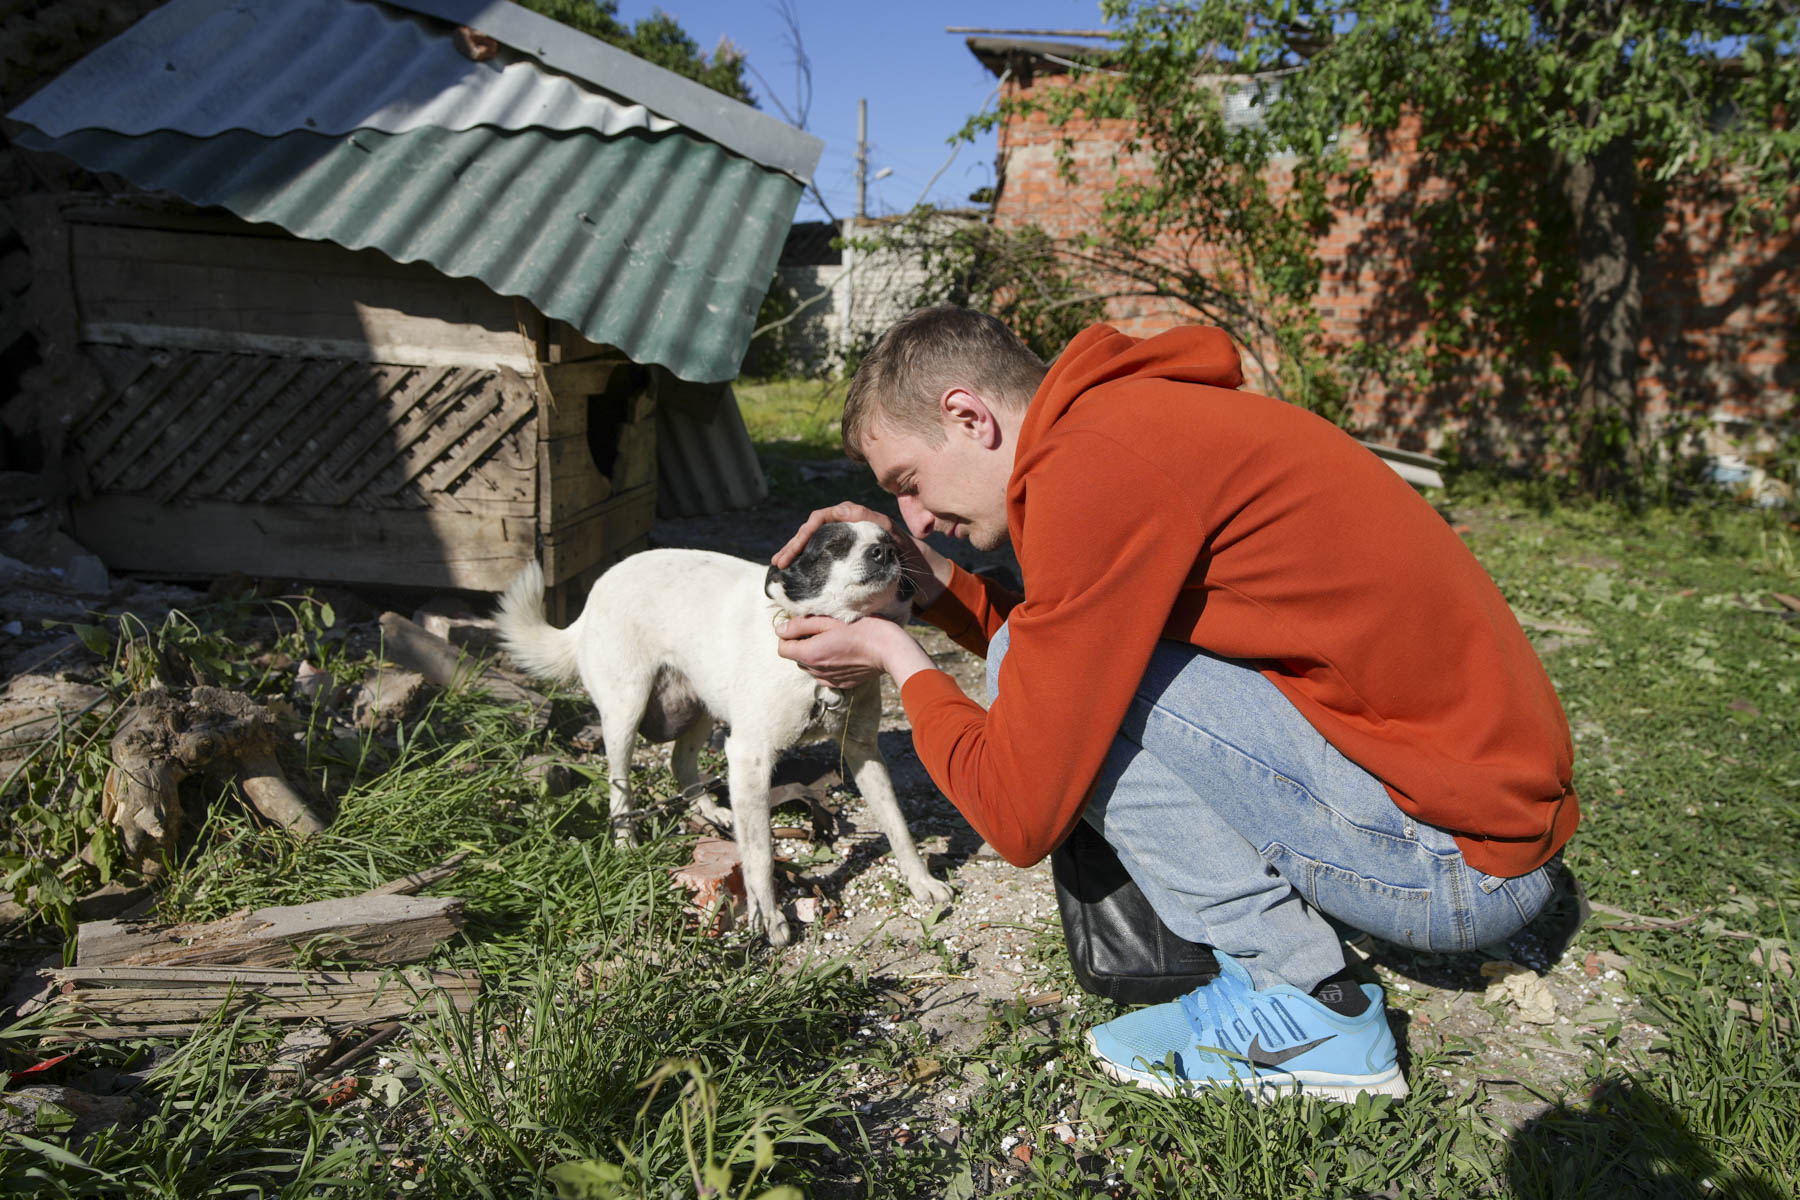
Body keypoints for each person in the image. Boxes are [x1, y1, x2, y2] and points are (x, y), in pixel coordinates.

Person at [771, 306, 1579, 1101]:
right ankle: (1298, 977)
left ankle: (1304, 1003)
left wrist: (893, 652)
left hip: (1455, 867)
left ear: (968, 416)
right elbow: (1075, 646)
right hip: (1479, 825)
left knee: (1026, 669)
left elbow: (1017, 814)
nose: (916, 516)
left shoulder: (1091, 471)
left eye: (909, 484)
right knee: (1051, 665)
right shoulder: (1124, 425)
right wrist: (926, 578)